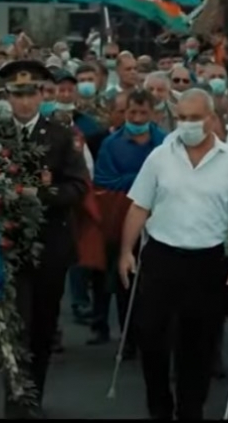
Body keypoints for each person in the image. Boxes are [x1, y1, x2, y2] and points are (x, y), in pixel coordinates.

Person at [119, 88, 228, 420]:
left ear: (211, 119)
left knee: (198, 343)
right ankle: (159, 407)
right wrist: (126, 250)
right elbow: (139, 206)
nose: (187, 124)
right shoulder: (160, 156)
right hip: (161, 257)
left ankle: (190, 409)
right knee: (151, 336)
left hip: (207, 261)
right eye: (181, 118)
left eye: (194, 118)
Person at [0, 59, 88, 418]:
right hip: (7, 245)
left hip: (50, 244)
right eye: (17, 94)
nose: (24, 102)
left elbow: (78, 186)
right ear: (7, 96)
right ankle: (15, 399)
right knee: (13, 325)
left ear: (41, 95)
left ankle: (34, 394)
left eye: (30, 93)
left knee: (42, 326)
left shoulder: (61, 135)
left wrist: (40, 195)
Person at [88, 89, 166, 352]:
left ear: (153, 113)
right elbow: (105, 180)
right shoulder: (111, 144)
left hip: (160, 221)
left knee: (155, 284)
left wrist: (132, 180)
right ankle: (129, 338)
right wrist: (144, 180)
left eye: (143, 113)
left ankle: (154, 337)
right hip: (121, 221)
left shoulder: (165, 143)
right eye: (132, 112)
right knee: (125, 282)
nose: (137, 118)